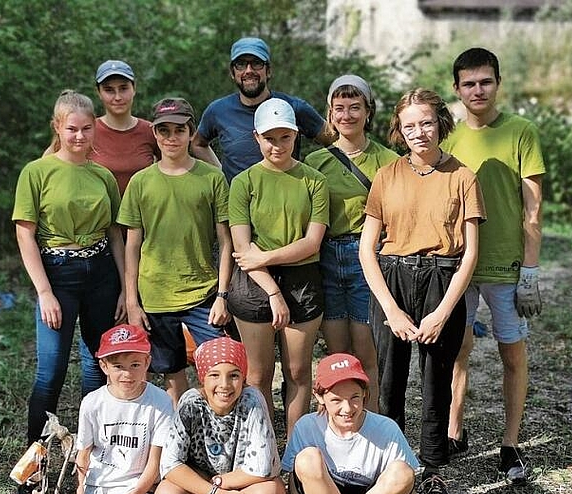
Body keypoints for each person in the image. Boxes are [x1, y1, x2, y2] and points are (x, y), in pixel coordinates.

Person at [358, 88, 484, 494]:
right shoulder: (386, 176)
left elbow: (470, 251)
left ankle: (432, 469)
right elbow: (367, 249)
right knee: (389, 381)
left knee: (436, 381)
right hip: (392, 277)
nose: (419, 132)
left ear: (440, 123)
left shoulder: (462, 176)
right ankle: (395, 468)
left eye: (426, 122)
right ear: (399, 129)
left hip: (441, 278)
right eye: (409, 125)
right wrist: (390, 309)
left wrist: (443, 310)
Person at [12, 90, 126, 494]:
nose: (79, 136)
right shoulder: (37, 172)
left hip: (100, 273)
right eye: (71, 128)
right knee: (51, 373)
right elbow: (25, 232)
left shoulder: (102, 175)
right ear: (58, 128)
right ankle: (33, 471)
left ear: (95, 127)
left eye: (86, 128)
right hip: (57, 273)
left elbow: (115, 231)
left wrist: (124, 287)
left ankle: (93, 462)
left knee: (98, 370)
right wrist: (44, 291)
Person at [444, 48, 545, 485]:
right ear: (457, 89)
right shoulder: (447, 137)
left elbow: (533, 210)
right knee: (455, 352)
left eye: (485, 81)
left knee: (512, 355)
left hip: (506, 266)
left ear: (498, 83)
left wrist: (532, 272)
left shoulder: (521, 131)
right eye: (469, 83)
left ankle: (509, 446)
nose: (477, 90)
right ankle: (454, 431)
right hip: (458, 264)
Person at [119, 98, 232, 405]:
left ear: (190, 132)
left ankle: (214, 434)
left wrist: (222, 295)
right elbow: (132, 245)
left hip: (204, 294)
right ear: (155, 134)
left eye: (179, 130)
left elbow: (226, 241)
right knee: (172, 374)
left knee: (220, 368)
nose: (171, 137)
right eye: (164, 130)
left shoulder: (211, 178)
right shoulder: (141, 182)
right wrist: (132, 301)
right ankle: (179, 440)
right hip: (156, 295)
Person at [227, 97, 329, 437]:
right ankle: (265, 447)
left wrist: (266, 257)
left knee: (299, 371)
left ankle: (296, 452)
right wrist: (273, 291)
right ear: (257, 137)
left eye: (285, 137)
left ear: (296, 136)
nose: (277, 145)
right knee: (258, 375)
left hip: (302, 278)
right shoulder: (243, 182)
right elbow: (243, 248)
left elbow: (311, 242)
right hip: (255, 282)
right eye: (270, 138)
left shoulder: (313, 180)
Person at [305, 75, 398, 411]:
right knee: (337, 354)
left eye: (355, 107)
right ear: (330, 113)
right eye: (339, 108)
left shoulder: (389, 161)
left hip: (367, 256)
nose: (347, 115)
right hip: (327, 257)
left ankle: (372, 425)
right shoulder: (316, 163)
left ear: (368, 112)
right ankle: (336, 428)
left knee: (366, 354)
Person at [282, 354, 418, 494]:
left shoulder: (386, 428)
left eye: (355, 397)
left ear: (365, 393)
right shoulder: (307, 426)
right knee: (307, 458)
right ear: (319, 396)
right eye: (336, 400)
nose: (347, 408)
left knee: (403, 472)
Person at [154, 337, 285, 494]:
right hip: (204, 477)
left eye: (233, 375)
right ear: (202, 378)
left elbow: (262, 467)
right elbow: (170, 464)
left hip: (244, 481)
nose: (224, 385)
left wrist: (219, 485)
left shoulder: (252, 400)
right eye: (214, 375)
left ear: (243, 378)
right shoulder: (190, 403)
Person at [66, 324, 173, 494]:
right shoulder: (92, 403)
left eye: (135, 364)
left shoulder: (160, 401)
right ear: (104, 366)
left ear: (148, 362)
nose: (127, 374)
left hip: (138, 485)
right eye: (118, 366)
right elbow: (83, 458)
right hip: (100, 490)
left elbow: (155, 464)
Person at [193, 36, 334, 181]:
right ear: (232, 72)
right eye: (241, 64)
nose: (249, 70)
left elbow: (334, 140)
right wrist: (221, 174)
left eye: (257, 63)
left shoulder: (292, 107)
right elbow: (197, 144)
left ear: (268, 71)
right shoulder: (218, 111)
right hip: (238, 202)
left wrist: (317, 175)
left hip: (287, 199)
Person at [92, 59, 160, 195]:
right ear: (98, 92)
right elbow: (50, 164)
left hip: (142, 214)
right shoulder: (86, 130)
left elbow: (175, 169)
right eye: (109, 90)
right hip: (99, 215)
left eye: (123, 88)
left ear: (134, 88)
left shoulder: (151, 131)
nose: (117, 97)